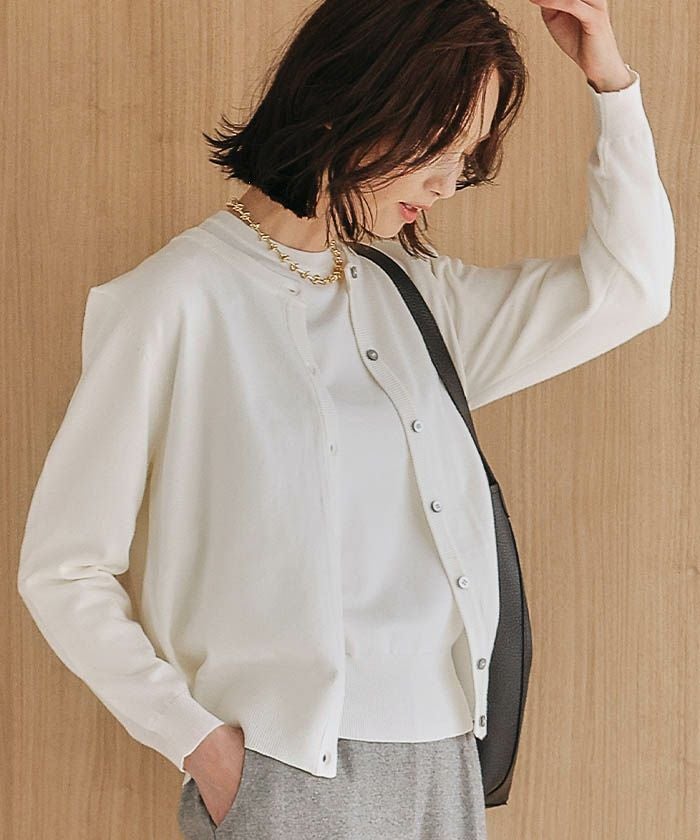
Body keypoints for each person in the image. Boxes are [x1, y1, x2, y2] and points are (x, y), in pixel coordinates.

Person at [17, 0, 674, 838]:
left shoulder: (415, 303)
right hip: (288, 769)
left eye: (466, 158)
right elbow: (64, 569)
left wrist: (612, 85)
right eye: (438, 148)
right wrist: (202, 748)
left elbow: (628, 291)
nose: (448, 184)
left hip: (446, 758)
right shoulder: (174, 302)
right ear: (356, 103)